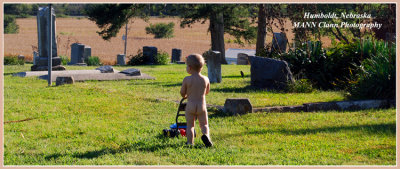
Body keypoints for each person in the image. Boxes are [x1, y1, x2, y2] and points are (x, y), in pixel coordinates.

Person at [180, 54, 213, 147]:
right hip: (201, 106)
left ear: (189, 68)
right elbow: (207, 92)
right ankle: (206, 136)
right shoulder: (206, 79)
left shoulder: (187, 79)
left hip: (190, 106)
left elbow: (182, 92)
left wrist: (185, 95)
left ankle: (190, 143)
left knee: (190, 125)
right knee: (204, 125)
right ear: (201, 68)